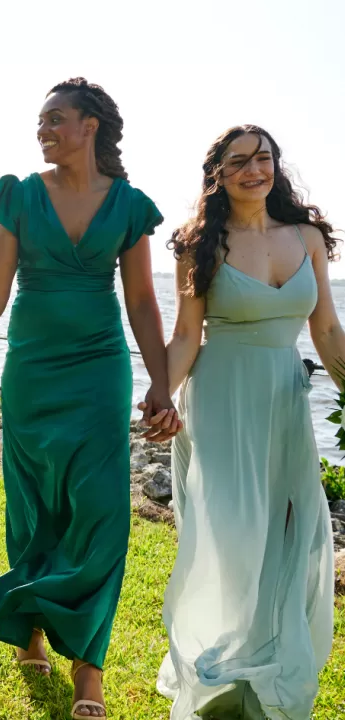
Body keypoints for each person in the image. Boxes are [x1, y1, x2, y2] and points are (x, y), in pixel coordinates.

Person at [0, 77, 178, 719]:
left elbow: (140, 300)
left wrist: (163, 384)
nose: (43, 129)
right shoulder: (18, 196)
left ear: (91, 127)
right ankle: (29, 627)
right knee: (33, 501)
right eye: (40, 121)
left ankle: (90, 669)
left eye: (55, 119)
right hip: (32, 366)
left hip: (100, 367)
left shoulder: (130, 206)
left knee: (102, 510)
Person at [154, 125, 337, 720]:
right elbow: (185, 336)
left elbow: (328, 332)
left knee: (291, 534)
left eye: (263, 158)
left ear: (276, 166)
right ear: (219, 174)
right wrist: (160, 395)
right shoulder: (200, 244)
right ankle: (222, 669)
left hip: (285, 400)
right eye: (239, 162)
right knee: (231, 534)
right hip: (222, 398)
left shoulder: (306, 237)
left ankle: (267, 668)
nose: (253, 169)